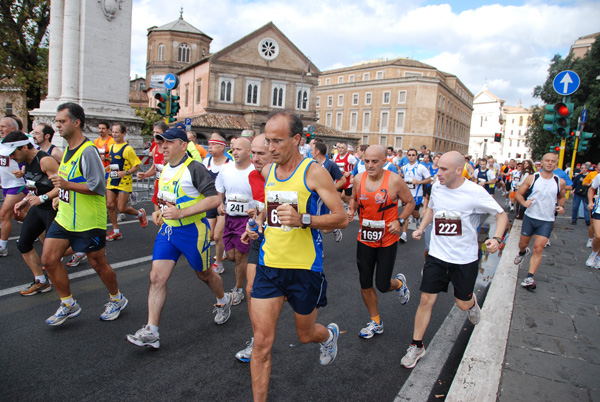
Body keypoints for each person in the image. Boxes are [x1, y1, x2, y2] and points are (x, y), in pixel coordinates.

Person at [248, 111, 348, 402]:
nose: (270, 148)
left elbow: (341, 218)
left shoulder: (313, 172)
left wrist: (304, 219)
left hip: (305, 269)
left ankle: (328, 336)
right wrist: (256, 223)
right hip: (269, 267)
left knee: (305, 335)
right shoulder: (268, 172)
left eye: (277, 141)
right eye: (268, 141)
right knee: (261, 345)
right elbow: (270, 209)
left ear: (297, 139)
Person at [401, 151, 508, 369]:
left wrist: (497, 238)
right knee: (425, 300)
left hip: (464, 259)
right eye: (437, 168)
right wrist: (421, 228)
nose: (437, 173)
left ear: (459, 170)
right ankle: (417, 345)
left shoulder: (475, 192)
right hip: (437, 256)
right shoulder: (438, 186)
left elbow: (501, 215)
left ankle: (471, 304)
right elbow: (432, 207)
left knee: (461, 303)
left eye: (443, 169)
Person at [126, 127, 230, 349]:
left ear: (183, 145)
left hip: (193, 231)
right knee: (156, 277)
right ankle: (152, 331)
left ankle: (223, 300)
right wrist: (159, 211)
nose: (163, 146)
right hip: (168, 231)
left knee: (203, 274)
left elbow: (213, 200)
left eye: (169, 143)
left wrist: (181, 213)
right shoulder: (164, 169)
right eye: (162, 142)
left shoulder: (194, 168)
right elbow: (166, 199)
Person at [41, 102, 128, 326]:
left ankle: (117, 299)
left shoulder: (87, 151)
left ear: (76, 122)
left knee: (98, 263)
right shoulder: (68, 150)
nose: (57, 125)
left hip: (89, 220)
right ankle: (68, 304)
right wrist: (61, 194)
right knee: (49, 260)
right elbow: (68, 182)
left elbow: (98, 186)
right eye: (57, 121)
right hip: (65, 218)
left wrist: (67, 186)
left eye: (62, 121)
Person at [346, 145, 414, 339]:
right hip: (365, 238)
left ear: (385, 161)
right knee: (365, 282)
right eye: (366, 161)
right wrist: (351, 210)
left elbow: (410, 203)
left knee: (383, 285)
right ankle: (376, 321)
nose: (369, 165)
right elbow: (354, 199)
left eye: (375, 161)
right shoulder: (359, 179)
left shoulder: (394, 180)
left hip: (387, 239)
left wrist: (399, 221)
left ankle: (399, 283)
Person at [1, 132, 59, 295]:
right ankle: (41, 281)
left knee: (55, 252)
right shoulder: (25, 163)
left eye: (13, 153)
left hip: (53, 209)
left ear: (25, 147)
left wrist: (43, 198)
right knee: (23, 243)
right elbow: (35, 186)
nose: (12, 158)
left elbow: (62, 185)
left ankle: (85, 246)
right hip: (38, 208)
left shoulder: (45, 160)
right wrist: (25, 201)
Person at [236, 133, 273, 362]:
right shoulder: (252, 175)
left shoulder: (282, 176)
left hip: (286, 242)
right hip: (261, 239)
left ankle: (324, 335)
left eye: (261, 153)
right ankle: (257, 340)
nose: (255, 158)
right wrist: (254, 222)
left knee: (304, 325)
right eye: (254, 153)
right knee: (251, 290)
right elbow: (262, 208)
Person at [514, 153, 566, 289]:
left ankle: (529, 277)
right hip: (530, 217)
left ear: (556, 164)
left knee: (538, 248)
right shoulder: (533, 178)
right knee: (522, 243)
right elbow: (519, 193)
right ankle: (522, 252)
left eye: (553, 161)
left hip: (547, 220)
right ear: (541, 162)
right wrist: (524, 202)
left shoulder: (559, 182)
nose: (550, 163)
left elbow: (562, 197)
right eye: (547, 160)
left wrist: (561, 206)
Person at [215, 137, 255, 305]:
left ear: (248, 152)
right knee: (231, 256)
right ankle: (243, 268)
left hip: (246, 220)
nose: (235, 152)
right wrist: (220, 203)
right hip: (229, 217)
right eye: (233, 149)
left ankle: (238, 289)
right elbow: (219, 188)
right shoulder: (226, 169)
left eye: (239, 149)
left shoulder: (255, 171)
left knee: (240, 256)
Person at [105, 123, 147, 241]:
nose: (114, 134)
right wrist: (105, 169)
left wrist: (126, 172)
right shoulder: (112, 147)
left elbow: (136, 166)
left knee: (121, 208)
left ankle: (140, 214)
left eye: (117, 132)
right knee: (109, 205)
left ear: (123, 133)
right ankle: (116, 231)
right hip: (112, 180)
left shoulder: (128, 149)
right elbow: (113, 163)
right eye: (113, 132)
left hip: (124, 182)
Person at [203, 132, 231, 273]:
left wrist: (224, 202)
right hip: (209, 202)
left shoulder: (229, 164)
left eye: (214, 145)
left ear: (222, 147)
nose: (210, 147)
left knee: (217, 235)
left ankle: (219, 263)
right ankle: (208, 261)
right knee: (208, 235)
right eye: (209, 145)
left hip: (223, 203)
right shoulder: (206, 162)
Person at [0, 117, 28, 257]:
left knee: (4, 213)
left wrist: (23, 171)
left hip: (17, 185)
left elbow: (29, 160)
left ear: (13, 128)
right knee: (17, 215)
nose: (1, 129)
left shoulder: (24, 143)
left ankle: (2, 246)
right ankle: (37, 225)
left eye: (3, 126)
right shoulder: (2, 144)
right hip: (5, 185)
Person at [399, 148, 432, 243]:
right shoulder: (405, 167)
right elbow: (402, 177)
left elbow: (429, 179)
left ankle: (417, 219)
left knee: (415, 213)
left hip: (417, 195)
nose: (411, 157)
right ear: (407, 156)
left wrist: (419, 182)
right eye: (409, 155)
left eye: (413, 155)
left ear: (416, 156)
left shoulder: (421, 167)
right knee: (405, 214)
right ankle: (404, 234)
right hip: (406, 195)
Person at [137, 122, 168, 214]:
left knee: (166, 216)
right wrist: (145, 174)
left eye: (158, 132)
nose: (155, 135)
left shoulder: (169, 148)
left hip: (168, 186)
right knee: (157, 214)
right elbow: (155, 166)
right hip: (158, 185)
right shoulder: (155, 148)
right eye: (154, 132)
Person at [586, 174, 600, 269]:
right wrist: (591, 202)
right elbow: (591, 189)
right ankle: (594, 253)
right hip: (599, 210)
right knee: (598, 236)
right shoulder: (599, 176)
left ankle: (599, 257)